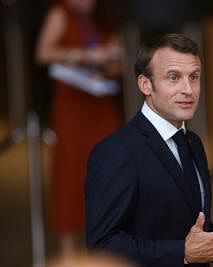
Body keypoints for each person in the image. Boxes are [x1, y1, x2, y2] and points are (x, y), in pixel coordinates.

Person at [85, 33, 213, 267]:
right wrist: (182, 253)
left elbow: (195, 231)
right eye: (173, 78)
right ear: (145, 84)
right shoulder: (116, 151)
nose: (188, 90)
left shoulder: (192, 142)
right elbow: (102, 246)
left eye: (194, 77)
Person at [36, 0, 122, 257]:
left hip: (101, 104)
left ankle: (106, 248)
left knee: (110, 174)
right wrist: (84, 56)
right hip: (72, 107)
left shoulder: (104, 19)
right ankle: (69, 254)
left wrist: (109, 61)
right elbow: (43, 53)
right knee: (70, 176)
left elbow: (117, 68)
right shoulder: (61, 13)